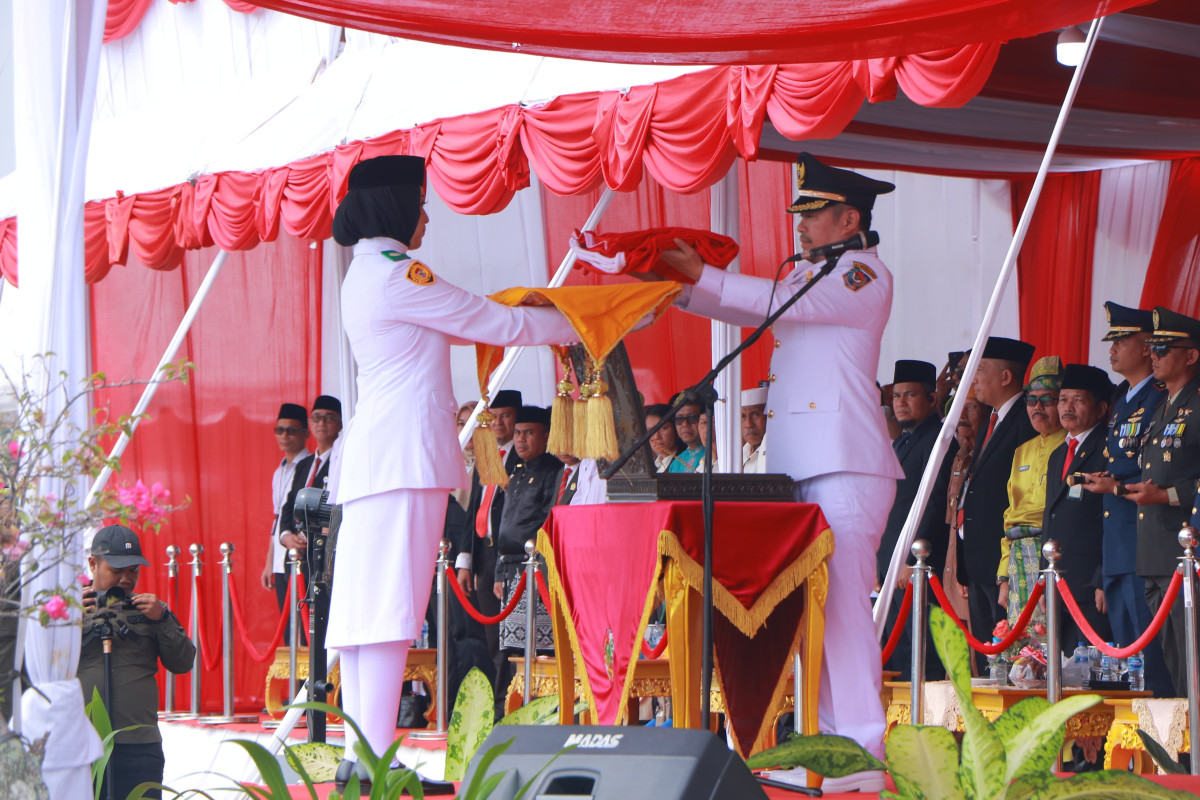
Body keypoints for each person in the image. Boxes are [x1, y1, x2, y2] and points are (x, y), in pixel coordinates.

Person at [325, 155, 578, 791]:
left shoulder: (364, 271)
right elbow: (490, 320)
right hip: (400, 459)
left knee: (364, 615)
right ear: (395, 209)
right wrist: (580, 322)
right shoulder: (396, 273)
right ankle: (373, 762)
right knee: (386, 611)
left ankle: (364, 755)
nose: (427, 216)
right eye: (420, 204)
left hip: (378, 459)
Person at [659, 151, 902, 790]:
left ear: (849, 218)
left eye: (813, 215)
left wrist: (705, 276)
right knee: (810, 612)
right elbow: (759, 309)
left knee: (845, 610)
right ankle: (827, 748)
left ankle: (861, 754)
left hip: (846, 463)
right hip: (806, 466)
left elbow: (779, 304)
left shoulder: (861, 274)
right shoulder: (811, 275)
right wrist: (683, 289)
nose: (800, 225)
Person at [1081, 302, 1171, 695]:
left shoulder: (1158, 396)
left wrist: (1115, 484)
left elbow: (1156, 467)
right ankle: (1133, 751)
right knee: (1126, 662)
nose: (1113, 348)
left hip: (1144, 541)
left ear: (1148, 345)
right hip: (1118, 545)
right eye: (1111, 341)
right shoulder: (1124, 400)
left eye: (1122, 339)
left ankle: (1165, 752)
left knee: (1152, 665)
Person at [80, 525, 195, 800]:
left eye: (133, 570)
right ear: (93, 564)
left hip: (139, 745)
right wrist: (67, 620)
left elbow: (183, 662)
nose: (126, 579)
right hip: (82, 743)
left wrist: (162, 619)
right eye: (116, 570)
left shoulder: (150, 610)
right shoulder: (69, 609)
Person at [1124, 307, 1200, 696]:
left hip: (1184, 550)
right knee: (1172, 667)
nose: (1153, 355)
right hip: (1154, 551)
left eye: (1164, 348)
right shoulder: (1164, 405)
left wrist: (1166, 495)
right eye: (1152, 348)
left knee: (1191, 667)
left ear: (1191, 355)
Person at [956, 336, 1036, 672]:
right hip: (979, 561)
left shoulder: (1025, 420)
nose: (973, 379)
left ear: (1005, 377)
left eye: (981, 371)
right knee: (987, 654)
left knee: (1007, 656)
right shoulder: (993, 419)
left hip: (1004, 559)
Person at [877, 359, 952, 681]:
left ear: (932, 399)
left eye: (910, 395)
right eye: (896, 396)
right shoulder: (905, 441)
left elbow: (933, 505)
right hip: (891, 565)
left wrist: (911, 560)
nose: (901, 403)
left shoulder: (938, 440)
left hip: (916, 567)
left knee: (920, 657)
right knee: (895, 655)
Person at [453, 389, 523, 698]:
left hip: (509, 556)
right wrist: (465, 561)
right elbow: (473, 514)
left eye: (506, 416)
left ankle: (506, 700)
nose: (499, 423)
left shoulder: (523, 457)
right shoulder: (485, 454)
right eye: (494, 417)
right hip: (483, 553)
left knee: (511, 637)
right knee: (490, 636)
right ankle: (495, 699)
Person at [1041, 364, 1113, 656]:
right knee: (1064, 677)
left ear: (1100, 408)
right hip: (1060, 583)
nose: (1066, 407)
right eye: (1062, 399)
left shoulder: (1109, 448)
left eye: (1078, 400)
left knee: (1096, 671)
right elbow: (1052, 517)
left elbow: (1114, 520)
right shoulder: (1059, 453)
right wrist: (1046, 578)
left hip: (1091, 586)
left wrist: (1104, 578)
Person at [996, 356, 1063, 632]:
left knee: (1049, 641)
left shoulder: (1070, 444)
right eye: (1031, 399)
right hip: (1017, 556)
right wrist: (1003, 574)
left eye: (1047, 399)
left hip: (1050, 552)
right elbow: (1010, 515)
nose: (1037, 407)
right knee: (1018, 645)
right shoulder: (1022, 450)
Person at [495, 406, 563, 659]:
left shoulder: (553, 471)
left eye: (529, 433)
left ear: (546, 436)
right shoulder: (517, 471)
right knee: (512, 649)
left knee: (539, 647)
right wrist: (498, 573)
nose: (521, 439)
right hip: (510, 569)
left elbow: (549, 520)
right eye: (518, 433)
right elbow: (504, 524)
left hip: (535, 567)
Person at [262, 403, 310, 616]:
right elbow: (277, 518)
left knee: (303, 622)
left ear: (305, 434)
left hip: (301, 552)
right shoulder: (278, 471)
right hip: (281, 555)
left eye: (291, 430)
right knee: (287, 626)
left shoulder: (311, 466)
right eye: (280, 430)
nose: (284, 436)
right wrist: (269, 562)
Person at [666, 396, 705, 473]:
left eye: (691, 418)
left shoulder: (714, 455)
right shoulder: (676, 463)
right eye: (679, 419)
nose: (685, 424)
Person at [644, 403, 683, 472]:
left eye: (663, 428)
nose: (656, 437)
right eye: (650, 431)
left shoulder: (685, 463)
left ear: (675, 428)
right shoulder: (651, 468)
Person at [741, 387, 768, 474]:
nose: (749, 424)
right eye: (743, 416)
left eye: (756, 415)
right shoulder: (740, 454)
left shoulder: (774, 453)